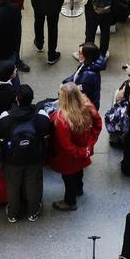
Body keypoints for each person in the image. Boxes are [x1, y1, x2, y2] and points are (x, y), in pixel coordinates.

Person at [0, 85, 51, 223]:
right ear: (32, 99)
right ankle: (33, 212)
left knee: (13, 185)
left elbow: (0, 139)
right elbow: (46, 136)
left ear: (16, 99)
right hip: (34, 157)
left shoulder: (5, 117)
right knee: (33, 184)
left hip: (12, 159)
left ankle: (13, 214)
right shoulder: (41, 116)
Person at [47, 83, 102, 211]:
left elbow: (66, 145)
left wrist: (80, 151)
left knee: (68, 177)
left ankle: (70, 201)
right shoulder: (87, 105)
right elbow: (98, 124)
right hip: (82, 149)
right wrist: (89, 145)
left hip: (68, 157)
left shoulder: (61, 119)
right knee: (79, 170)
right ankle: (79, 189)